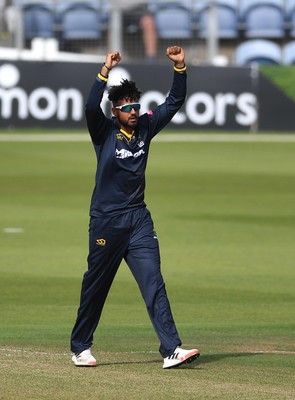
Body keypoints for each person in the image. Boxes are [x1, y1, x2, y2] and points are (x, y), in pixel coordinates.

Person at [70, 45, 200, 369]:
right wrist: (104, 71)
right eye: (126, 107)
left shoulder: (145, 127)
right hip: (106, 222)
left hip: (139, 220)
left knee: (153, 281)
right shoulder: (104, 132)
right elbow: (89, 106)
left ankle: (171, 349)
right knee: (96, 286)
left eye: (135, 106)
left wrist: (180, 68)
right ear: (114, 110)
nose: (132, 111)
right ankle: (80, 347)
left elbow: (174, 102)